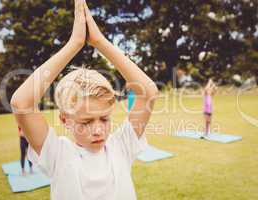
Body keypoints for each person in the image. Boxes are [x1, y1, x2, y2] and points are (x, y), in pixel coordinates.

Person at [10, 0, 158, 199]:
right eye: (86, 122)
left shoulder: (121, 146)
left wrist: (99, 42)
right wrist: (74, 44)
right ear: (65, 120)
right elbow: (21, 103)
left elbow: (148, 92)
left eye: (104, 119)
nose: (98, 130)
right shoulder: (58, 154)